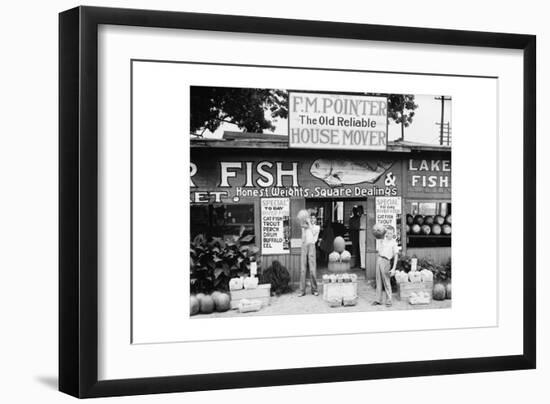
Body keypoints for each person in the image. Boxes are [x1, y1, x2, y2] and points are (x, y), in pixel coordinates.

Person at [372, 225, 399, 307]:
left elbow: (396, 256)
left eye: (391, 233)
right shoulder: (382, 240)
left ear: (393, 234)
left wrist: (394, 268)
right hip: (379, 259)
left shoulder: (394, 243)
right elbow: (377, 234)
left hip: (386, 261)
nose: (389, 234)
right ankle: (378, 300)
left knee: (386, 282)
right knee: (378, 281)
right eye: (387, 233)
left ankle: (389, 300)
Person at [299, 211, 320, 297]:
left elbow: (314, 232)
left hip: (312, 246)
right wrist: (305, 225)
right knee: (303, 269)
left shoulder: (317, 227)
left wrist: (309, 224)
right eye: (311, 218)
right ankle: (302, 291)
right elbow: (303, 236)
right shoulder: (305, 227)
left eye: (314, 218)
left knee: (312, 269)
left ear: (316, 220)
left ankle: (314, 289)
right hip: (304, 246)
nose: (312, 219)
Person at [357, 205, 367, 270]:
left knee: (364, 247)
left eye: (359, 210)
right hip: (360, 231)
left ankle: (364, 264)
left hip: (364, 231)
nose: (358, 211)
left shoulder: (365, 216)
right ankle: (362, 264)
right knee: (361, 247)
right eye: (358, 210)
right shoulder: (359, 217)